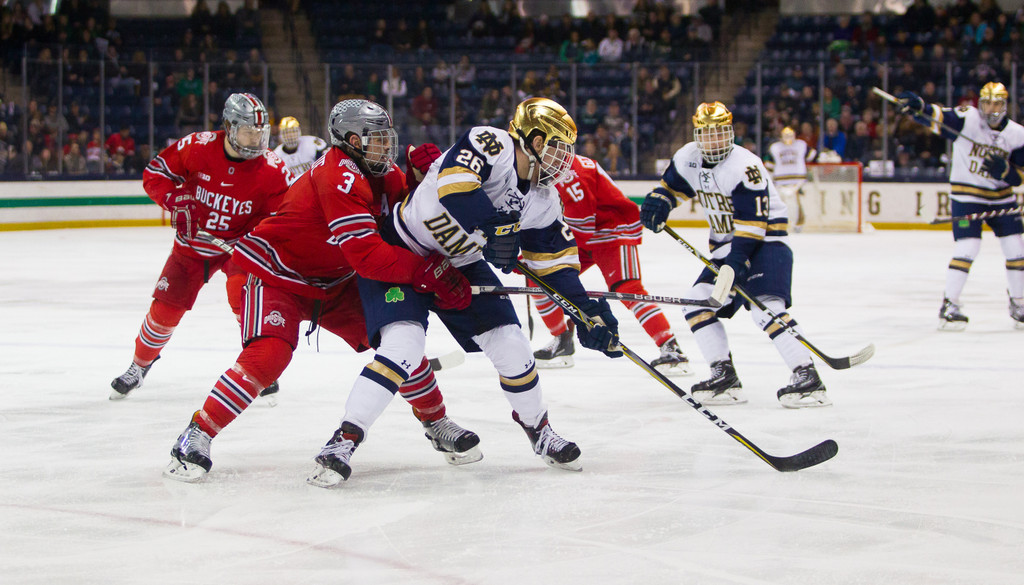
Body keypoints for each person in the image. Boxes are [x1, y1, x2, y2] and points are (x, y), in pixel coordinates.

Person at [307, 97, 624, 487]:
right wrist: (496, 228)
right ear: (536, 141)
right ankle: (344, 440)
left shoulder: (544, 200)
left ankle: (539, 430)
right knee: (403, 346)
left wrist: (588, 313)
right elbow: (456, 187)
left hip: (458, 263)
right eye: (559, 147)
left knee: (511, 343)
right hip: (403, 252)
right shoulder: (492, 143)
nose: (565, 160)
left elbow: (555, 268)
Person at [163, 99, 479, 482]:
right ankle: (196, 433)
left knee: (399, 340)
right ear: (351, 140)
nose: (386, 147)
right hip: (276, 272)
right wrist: (425, 272)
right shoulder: (338, 175)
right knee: (269, 354)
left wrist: (424, 181)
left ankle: (437, 422)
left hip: (334, 280)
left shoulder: (385, 173)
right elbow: (366, 255)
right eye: (377, 139)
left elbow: (407, 220)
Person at [640, 102, 831, 409]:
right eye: (707, 134)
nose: (714, 141)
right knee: (696, 303)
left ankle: (807, 377)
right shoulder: (688, 157)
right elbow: (671, 188)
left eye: (720, 133)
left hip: (765, 242)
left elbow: (753, 226)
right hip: (727, 249)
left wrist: (737, 262)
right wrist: (659, 202)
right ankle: (724, 377)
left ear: (730, 133)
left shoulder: (747, 166)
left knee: (765, 307)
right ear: (698, 135)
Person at [109, 93, 291, 400]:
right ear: (230, 127)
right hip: (191, 245)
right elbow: (155, 174)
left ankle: (256, 367)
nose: (256, 138)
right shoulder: (196, 146)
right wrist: (173, 199)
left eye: (261, 131)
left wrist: (258, 238)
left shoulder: (272, 169)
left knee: (245, 298)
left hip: (238, 248)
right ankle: (139, 365)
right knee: (165, 310)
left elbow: (281, 215)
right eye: (249, 130)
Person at [531, 153, 692, 376]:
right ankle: (562, 341)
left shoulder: (575, 174)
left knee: (627, 290)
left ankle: (671, 347)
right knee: (537, 277)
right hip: (583, 234)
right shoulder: (545, 169)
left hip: (613, 231)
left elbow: (582, 227)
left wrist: (545, 249)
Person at [897, 82, 1024, 330]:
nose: (991, 108)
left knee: (1016, 248)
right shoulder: (969, 118)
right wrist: (919, 107)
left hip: (1002, 200)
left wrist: (1006, 171)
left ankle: (1019, 302)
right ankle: (950, 303)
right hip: (967, 199)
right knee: (968, 247)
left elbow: (1019, 177)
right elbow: (939, 117)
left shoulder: (1018, 134)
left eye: (997, 103)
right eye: (987, 102)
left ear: (1005, 105)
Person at [764, 126, 816, 232]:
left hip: (798, 180)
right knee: (779, 203)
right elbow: (769, 164)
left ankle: (798, 224)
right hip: (780, 181)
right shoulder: (775, 147)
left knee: (798, 203)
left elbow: (812, 155)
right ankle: (780, 223)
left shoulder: (801, 145)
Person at [272, 116, 328, 182]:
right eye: (286, 133)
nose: (290, 136)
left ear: (299, 131)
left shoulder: (312, 143)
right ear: (280, 135)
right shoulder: (276, 156)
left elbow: (327, 163)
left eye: (293, 132)